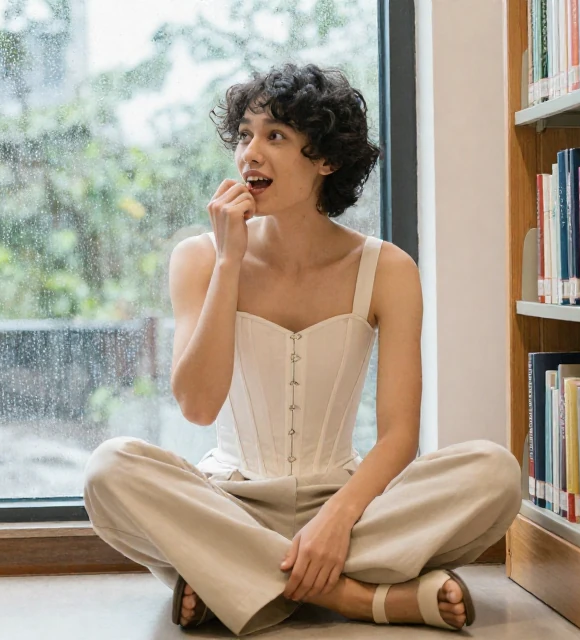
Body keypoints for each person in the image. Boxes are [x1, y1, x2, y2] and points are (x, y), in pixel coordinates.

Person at [82, 63, 521, 636]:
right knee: (110, 468)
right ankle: (357, 597)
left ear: (327, 160)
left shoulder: (387, 269)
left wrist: (336, 520)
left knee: (495, 471)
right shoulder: (199, 258)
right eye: (244, 135)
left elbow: (397, 437)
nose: (250, 154)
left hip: (345, 504)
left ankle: (226, 578)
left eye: (276, 137)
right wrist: (230, 261)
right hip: (229, 502)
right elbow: (197, 406)